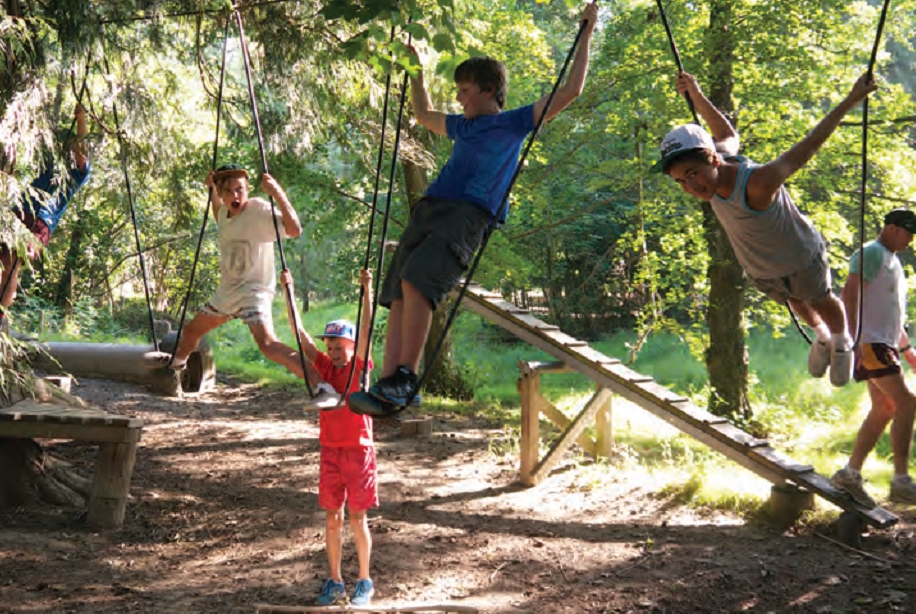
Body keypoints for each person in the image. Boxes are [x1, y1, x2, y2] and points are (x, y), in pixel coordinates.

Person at [348, 2, 599, 415]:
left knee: (419, 280)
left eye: (464, 89)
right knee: (396, 291)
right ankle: (389, 383)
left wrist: (586, 32)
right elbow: (423, 114)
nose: (458, 97)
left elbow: (570, 91)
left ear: (488, 89)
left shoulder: (515, 122)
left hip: (468, 214)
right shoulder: (462, 126)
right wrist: (416, 72)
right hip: (430, 208)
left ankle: (406, 377)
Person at [651, 72, 880, 388]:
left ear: (713, 159)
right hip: (763, 268)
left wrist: (851, 100)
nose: (690, 186)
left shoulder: (758, 183)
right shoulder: (715, 167)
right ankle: (823, 337)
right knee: (794, 301)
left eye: (692, 174)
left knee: (820, 299)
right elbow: (726, 133)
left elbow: (810, 145)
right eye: (680, 181)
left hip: (800, 258)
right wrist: (696, 94)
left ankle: (842, 343)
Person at [165, 164, 338, 406]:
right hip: (228, 292)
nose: (235, 196)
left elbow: (294, 230)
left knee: (268, 345)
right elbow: (217, 210)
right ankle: (173, 371)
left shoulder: (258, 210)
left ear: (247, 189)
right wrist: (211, 189)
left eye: (240, 189)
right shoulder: (224, 215)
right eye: (228, 191)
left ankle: (324, 388)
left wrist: (277, 193)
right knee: (192, 331)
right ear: (222, 194)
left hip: (254, 291)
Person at [280, 268, 377, 606]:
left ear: (352, 347)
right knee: (333, 518)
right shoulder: (324, 368)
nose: (334, 352)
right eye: (331, 347)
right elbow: (300, 334)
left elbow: (367, 329)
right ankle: (335, 581)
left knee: (358, 517)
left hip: (359, 450)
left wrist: (367, 290)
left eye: (340, 347)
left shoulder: (359, 367)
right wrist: (289, 290)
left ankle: (364, 581)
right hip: (330, 452)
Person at [829, 209, 916, 507]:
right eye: (908, 233)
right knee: (907, 403)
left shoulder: (893, 261)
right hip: (870, 342)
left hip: (883, 344)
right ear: (892, 228)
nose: (911, 240)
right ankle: (901, 482)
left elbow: (890, 312)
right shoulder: (871, 253)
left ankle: (849, 474)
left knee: (885, 407)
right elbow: (848, 296)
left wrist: (906, 349)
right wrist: (852, 340)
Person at [1, 104, 90, 330]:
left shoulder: (76, 174)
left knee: (11, 265)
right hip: (20, 213)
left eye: (69, 146)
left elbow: (82, 154)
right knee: (5, 263)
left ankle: (0, 317)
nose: (66, 149)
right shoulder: (49, 165)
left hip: (40, 221)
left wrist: (81, 121)